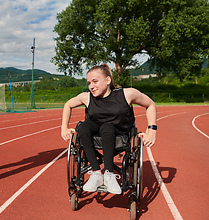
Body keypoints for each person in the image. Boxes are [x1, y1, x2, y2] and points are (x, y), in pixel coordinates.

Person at [61, 64, 156, 194]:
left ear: (107, 80)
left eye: (95, 81)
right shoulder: (87, 97)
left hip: (119, 133)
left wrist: (152, 130)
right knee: (83, 127)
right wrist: (64, 128)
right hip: (95, 131)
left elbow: (150, 104)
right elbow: (68, 105)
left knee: (106, 127)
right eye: (89, 83)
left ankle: (109, 174)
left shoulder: (126, 94)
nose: (91, 86)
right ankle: (96, 173)